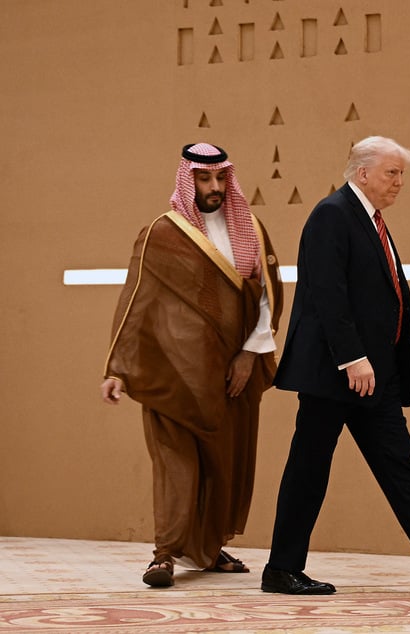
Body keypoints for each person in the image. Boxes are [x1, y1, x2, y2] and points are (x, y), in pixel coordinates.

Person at [261, 136, 410, 596]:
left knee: (400, 466)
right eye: (392, 173)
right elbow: (327, 295)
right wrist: (353, 358)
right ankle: (281, 569)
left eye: (401, 174)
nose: (399, 182)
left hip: (375, 376)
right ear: (362, 173)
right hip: (337, 373)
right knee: (309, 469)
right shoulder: (331, 214)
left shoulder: (370, 220)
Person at [100, 143, 283, 588]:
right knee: (175, 462)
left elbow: (267, 298)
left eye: (220, 178)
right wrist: (117, 368)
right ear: (189, 180)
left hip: (230, 373)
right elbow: (136, 300)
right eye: (204, 178)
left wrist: (249, 355)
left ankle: (208, 546)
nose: (214, 187)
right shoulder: (161, 233)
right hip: (174, 370)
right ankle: (164, 555)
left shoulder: (253, 230)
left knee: (224, 464)